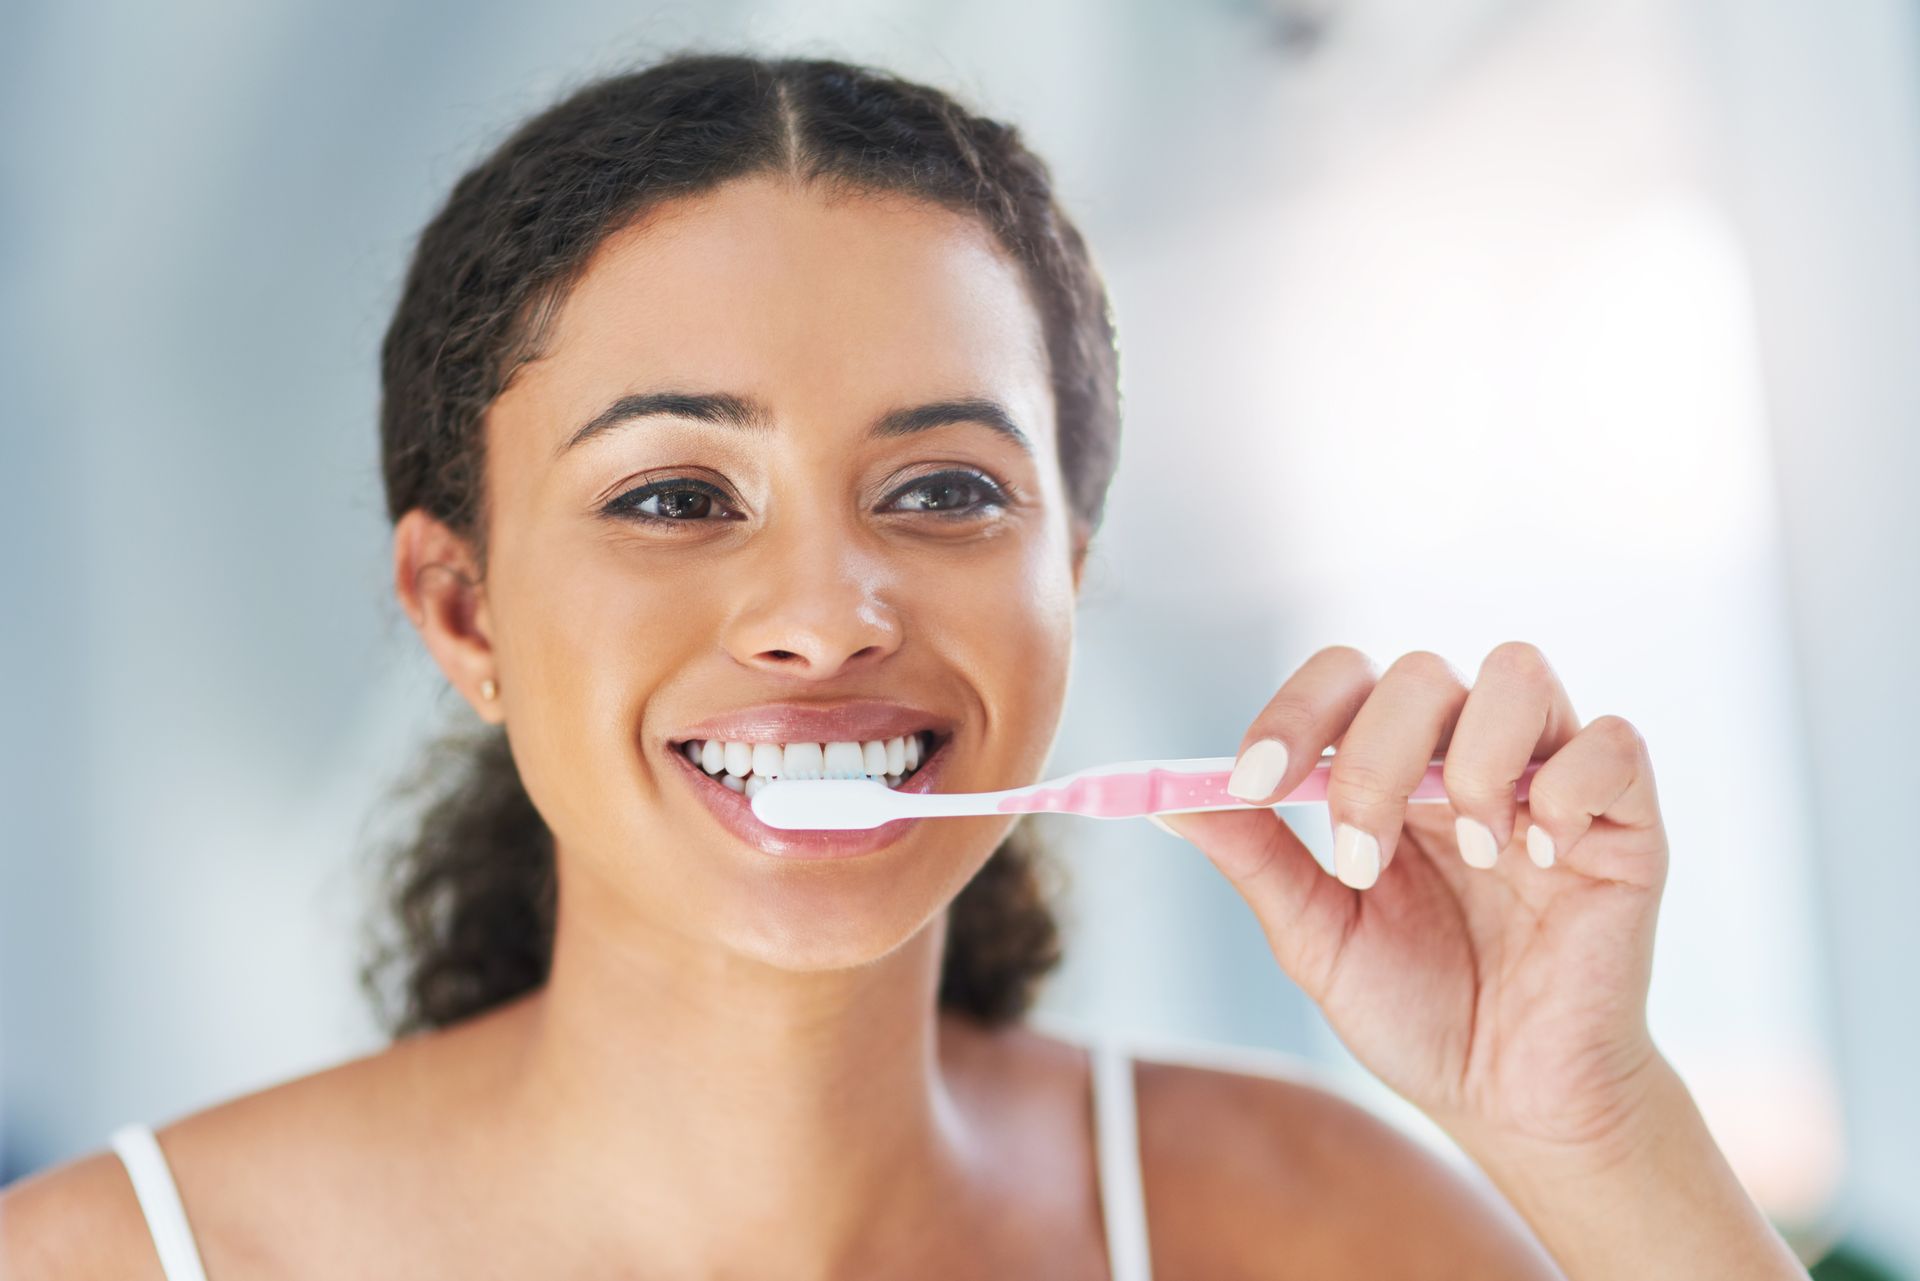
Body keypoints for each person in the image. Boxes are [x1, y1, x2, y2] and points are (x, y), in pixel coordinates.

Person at [0, 50, 1807, 1279]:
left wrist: (1594, 1128)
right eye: (677, 491)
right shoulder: (116, 1257)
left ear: (1068, 578)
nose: (828, 609)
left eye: (944, 488)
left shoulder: (1304, 1224)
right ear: (462, 609)